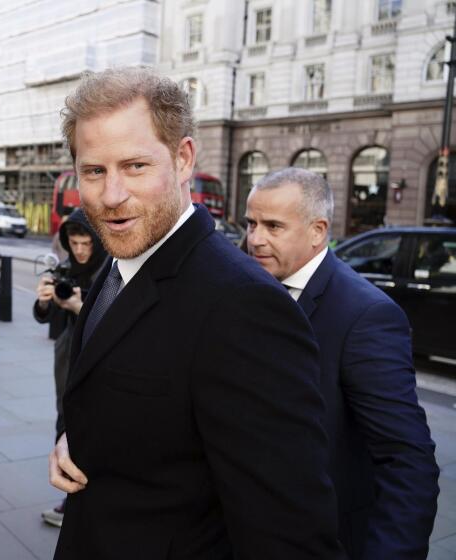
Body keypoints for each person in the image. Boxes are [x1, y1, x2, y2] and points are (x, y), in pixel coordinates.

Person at [47, 67, 344, 558]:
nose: (111, 195)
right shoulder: (121, 262)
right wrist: (75, 438)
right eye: (94, 171)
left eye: (136, 166)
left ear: (183, 159)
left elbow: (288, 530)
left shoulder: (243, 305)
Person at [245, 167, 439, 559]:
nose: (255, 239)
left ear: (318, 231)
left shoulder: (366, 315)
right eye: (250, 224)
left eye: (273, 226)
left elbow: (406, 460)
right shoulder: (246, 287)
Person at [33, 208, 106, 528]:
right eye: (74, 243)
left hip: (98, 360)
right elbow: (42, 317)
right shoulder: (66, 269)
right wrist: (45, 301)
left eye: (85, 243)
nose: (79, 250)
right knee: (64, 420)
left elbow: (113, 323)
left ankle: (87, 498)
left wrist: (80, 306)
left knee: (93, 426)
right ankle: (69, 496)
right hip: (66, 358)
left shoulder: (110, 271)